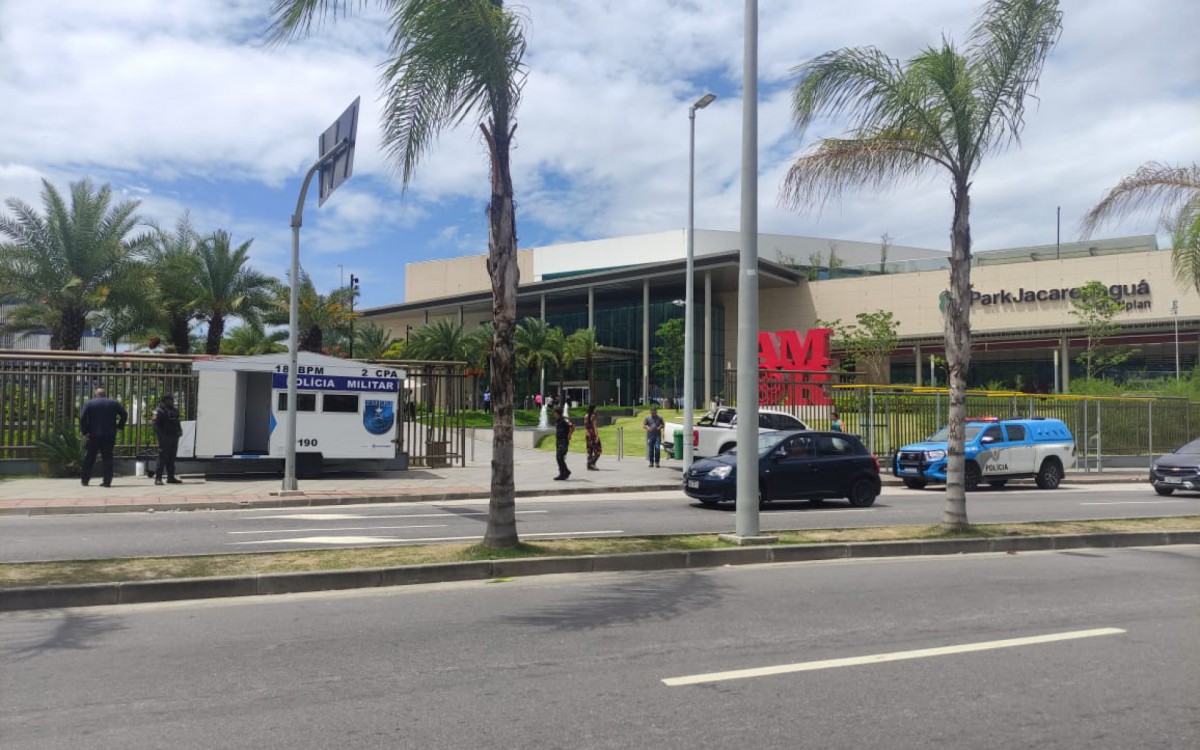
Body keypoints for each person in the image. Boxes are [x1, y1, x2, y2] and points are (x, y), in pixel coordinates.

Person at [79, 387, 127, 488]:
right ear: (105, 394)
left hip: (93, 435)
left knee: (89, 458)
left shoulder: (90, 403)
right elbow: (124, 414)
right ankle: (107, 482)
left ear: (95, 394)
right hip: (109, 435)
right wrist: (120, 426)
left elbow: (83, 417)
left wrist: (85, 432)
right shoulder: (113, 403)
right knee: (108, 458)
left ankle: (85, 480)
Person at [151, 393, 184, 485]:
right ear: (164, 401)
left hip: (174, 437)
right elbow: (155, 425)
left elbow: (177, 422)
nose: (171, 401)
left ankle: (171, 477)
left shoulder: (174, 410)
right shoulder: (158, 411)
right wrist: (161, 436)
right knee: (162, 458)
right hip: (165, 438)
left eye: (171, 399)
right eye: (169, 399)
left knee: (172, 458)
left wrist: (179, 431)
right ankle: (158, 478)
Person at [552, 407, 574, 480]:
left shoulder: (565, 419)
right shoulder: (558, 420)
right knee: (559, 458)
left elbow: (572, 425)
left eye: (554, 413)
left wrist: (570, 434)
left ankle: (565, 472)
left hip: (563, 441)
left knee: (559, 457)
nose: (553, 415)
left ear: (557, 413)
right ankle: (563, 473)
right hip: (559, 441)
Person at [584, 404, 602, 470]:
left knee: (589, 450)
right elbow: (594, 427)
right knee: (598, 450)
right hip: (593, 435)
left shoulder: (585, 416)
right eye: (595, 408)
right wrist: (597, 436)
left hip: (587, 435)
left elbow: (585, 427)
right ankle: (591, 463)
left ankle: (590, 466)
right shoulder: (593, 416)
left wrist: (587, 434)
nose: (596, 410)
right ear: (593, 409)